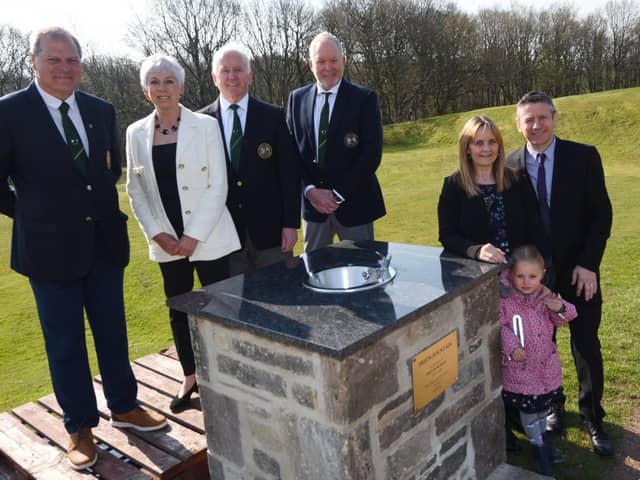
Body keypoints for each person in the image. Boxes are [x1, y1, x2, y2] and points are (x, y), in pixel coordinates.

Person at [0, 27, 167, 470]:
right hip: (47, 251)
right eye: (54, 60)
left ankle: (126, 406)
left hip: (102, 244)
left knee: (113, 331)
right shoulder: (9, 112)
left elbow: (107, 170)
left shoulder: (99, 108)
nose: (64, 68)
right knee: (65, 342)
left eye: (71, 60)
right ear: (33, 61)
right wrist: (35, 216)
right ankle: (79, 426)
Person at [126, 54, 240, 413]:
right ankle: (189, 376)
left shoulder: (205, 126)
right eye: (155, 82)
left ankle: (226, 376)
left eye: (169, 81)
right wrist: (158, 234)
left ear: (182, 87)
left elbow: (217, 184)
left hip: (208, 238)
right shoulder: (134, 133)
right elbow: (135, 189)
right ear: (146, 90)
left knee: (219, 308)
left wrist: (193, 236)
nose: (162, 88)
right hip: (167, 244)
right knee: (179, 310)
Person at [507, 91, 614, 456]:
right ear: (519, 125)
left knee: (585, 345)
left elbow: (601, 214)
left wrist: (590, 263)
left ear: (554, 118)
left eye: (542, 117)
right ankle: (555, 408)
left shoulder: (583, 156)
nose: (536, 125)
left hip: (578, 270)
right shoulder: (510, 164)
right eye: (528, 120)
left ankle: (593, 417)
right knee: (541, 347)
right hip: (533, 280)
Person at [199, 42, 301, 275]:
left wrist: (290, 224)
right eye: (225, 70)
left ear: (250, 76)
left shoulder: (274, 116)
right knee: (236, 307)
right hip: (223, 235)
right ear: (215, 78)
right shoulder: (200, 123)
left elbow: (289, 174)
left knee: (283, 297)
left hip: (272, 234)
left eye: (238, 70)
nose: (232, 76)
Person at [287, 31, 386, 252]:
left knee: (363, 274)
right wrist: (310, 190)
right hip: (313, 211)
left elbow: (371, 155)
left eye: (333, 60)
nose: (328, 67)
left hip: (355, 206)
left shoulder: (365, 99)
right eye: (321, 61)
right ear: (310, 64)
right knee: (314, 277)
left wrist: (338, 194)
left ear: (344, 60)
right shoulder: (296, 99)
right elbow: (292, 154)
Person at [500, 245, 577, 476]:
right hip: (521, 370)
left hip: (545, 366)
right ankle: (540, 449)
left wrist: (559, 306)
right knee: (529, 411)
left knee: (542, 409)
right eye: (520, 276)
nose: (526, 281)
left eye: (532, 276)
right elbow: (501, 327)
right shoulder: (506, 301)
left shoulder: (545, 296)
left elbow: (567, 316)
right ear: (511, 274)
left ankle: (542, 441)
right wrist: (512, 347)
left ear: (542, 274)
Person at [437, 115, 540, 264]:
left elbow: (534, 227)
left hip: (518, 272)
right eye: (479, 143)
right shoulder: (454, 185)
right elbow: (447, 235)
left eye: (492, 142)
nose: (486, 148)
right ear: (467, 148)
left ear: (499, 147)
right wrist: (476, 250)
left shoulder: (517, 180)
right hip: (477, 274)